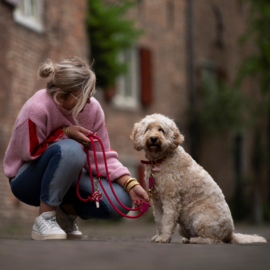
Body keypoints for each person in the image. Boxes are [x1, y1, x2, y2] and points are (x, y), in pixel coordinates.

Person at [3, 56, 148, 241]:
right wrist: (65, 133)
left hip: (68, 179)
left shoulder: (93, 109)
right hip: (25, 181)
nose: (89, 101)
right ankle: (45, 218)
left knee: (120, 201)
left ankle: (66, 215)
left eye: (91, 93)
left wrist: (130, 183)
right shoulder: (37, 108)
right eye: (83, 94)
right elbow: (28, 153)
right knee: (72, 149)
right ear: (61, 95)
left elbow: (102, 157)